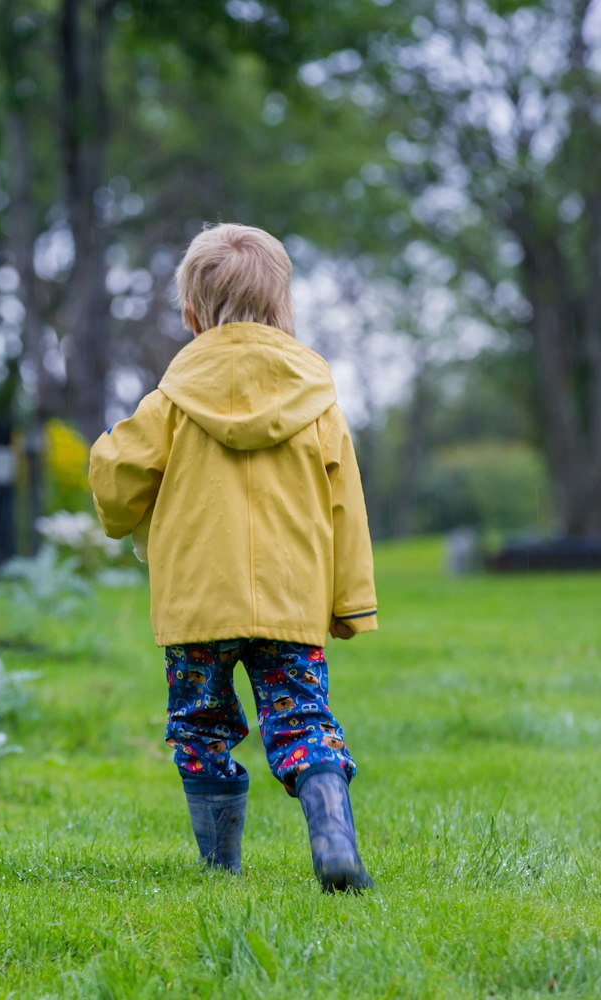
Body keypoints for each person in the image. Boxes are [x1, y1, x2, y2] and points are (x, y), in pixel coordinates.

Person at [88, 223, 377, 892]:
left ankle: (220, 866)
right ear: (283, 308)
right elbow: (346, 506)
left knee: (200, 726)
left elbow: (117, 485)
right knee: (304, 718)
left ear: (192, 315)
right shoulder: (318, 403)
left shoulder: (169, 404)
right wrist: (349, 601)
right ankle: (332, 835)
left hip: (198, 604)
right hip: (290, 597)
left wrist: (110, 471)